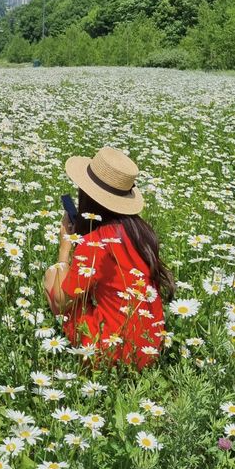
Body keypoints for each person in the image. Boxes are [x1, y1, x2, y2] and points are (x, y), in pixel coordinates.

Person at [44, 146, 175, 369]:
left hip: (110, 353)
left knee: (52, 278)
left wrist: (65, 247)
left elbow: (63, 301)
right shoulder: (141, 232)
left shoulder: (96, 242)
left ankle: (88, 363)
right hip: (148, 347)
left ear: (87, 194)